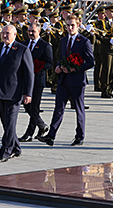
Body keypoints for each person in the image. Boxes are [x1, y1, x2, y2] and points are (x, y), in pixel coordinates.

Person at [38, 14, 94, 147]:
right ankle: (51, 136)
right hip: (63, 79)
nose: (69, 28)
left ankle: (79, 136)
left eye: (72, 25)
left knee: (79, 109)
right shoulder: (63, 40)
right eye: (67, 25)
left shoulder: (84, 41)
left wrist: (75, 69)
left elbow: (90, 62)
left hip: (77, 81)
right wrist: (58, 67)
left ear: (78, 25)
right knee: (58, 108)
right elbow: (61, 57)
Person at [0, 25, 34, 163]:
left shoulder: (22, 49)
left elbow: (29, 74)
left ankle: (6, 151)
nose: (5, 36)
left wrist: (27, 93)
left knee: (10, 123)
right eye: (3, 33)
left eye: (8, 33)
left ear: (15, 34)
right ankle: (16, 147)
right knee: (6, 123)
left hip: (14, 93)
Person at [19, 22, 52, 142]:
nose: (30, 33)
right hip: (25, 80)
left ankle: (29, 133)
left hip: (38, 80)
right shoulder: (24, 44)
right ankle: (42, 125)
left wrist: (39, 67)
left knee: (35, 107)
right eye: (29, 31)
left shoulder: (45, 45)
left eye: (33, 31)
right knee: (27, 105)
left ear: (39, 32)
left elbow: (49, 63)